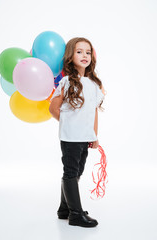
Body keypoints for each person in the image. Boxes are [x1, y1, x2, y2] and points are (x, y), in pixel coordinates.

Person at [49, 37, 106, 228]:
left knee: (78, 171)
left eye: (88, 52)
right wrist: (69, 124)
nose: (84, 55)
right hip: (71, 136)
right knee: (71, 171)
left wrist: (94, 135)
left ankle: (64, 209)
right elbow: (53, 108)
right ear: (70, 56)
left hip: (85, 136)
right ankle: (75, 213)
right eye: (79, 51)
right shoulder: (66, 82)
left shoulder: (94, 84)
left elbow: (93, 112)